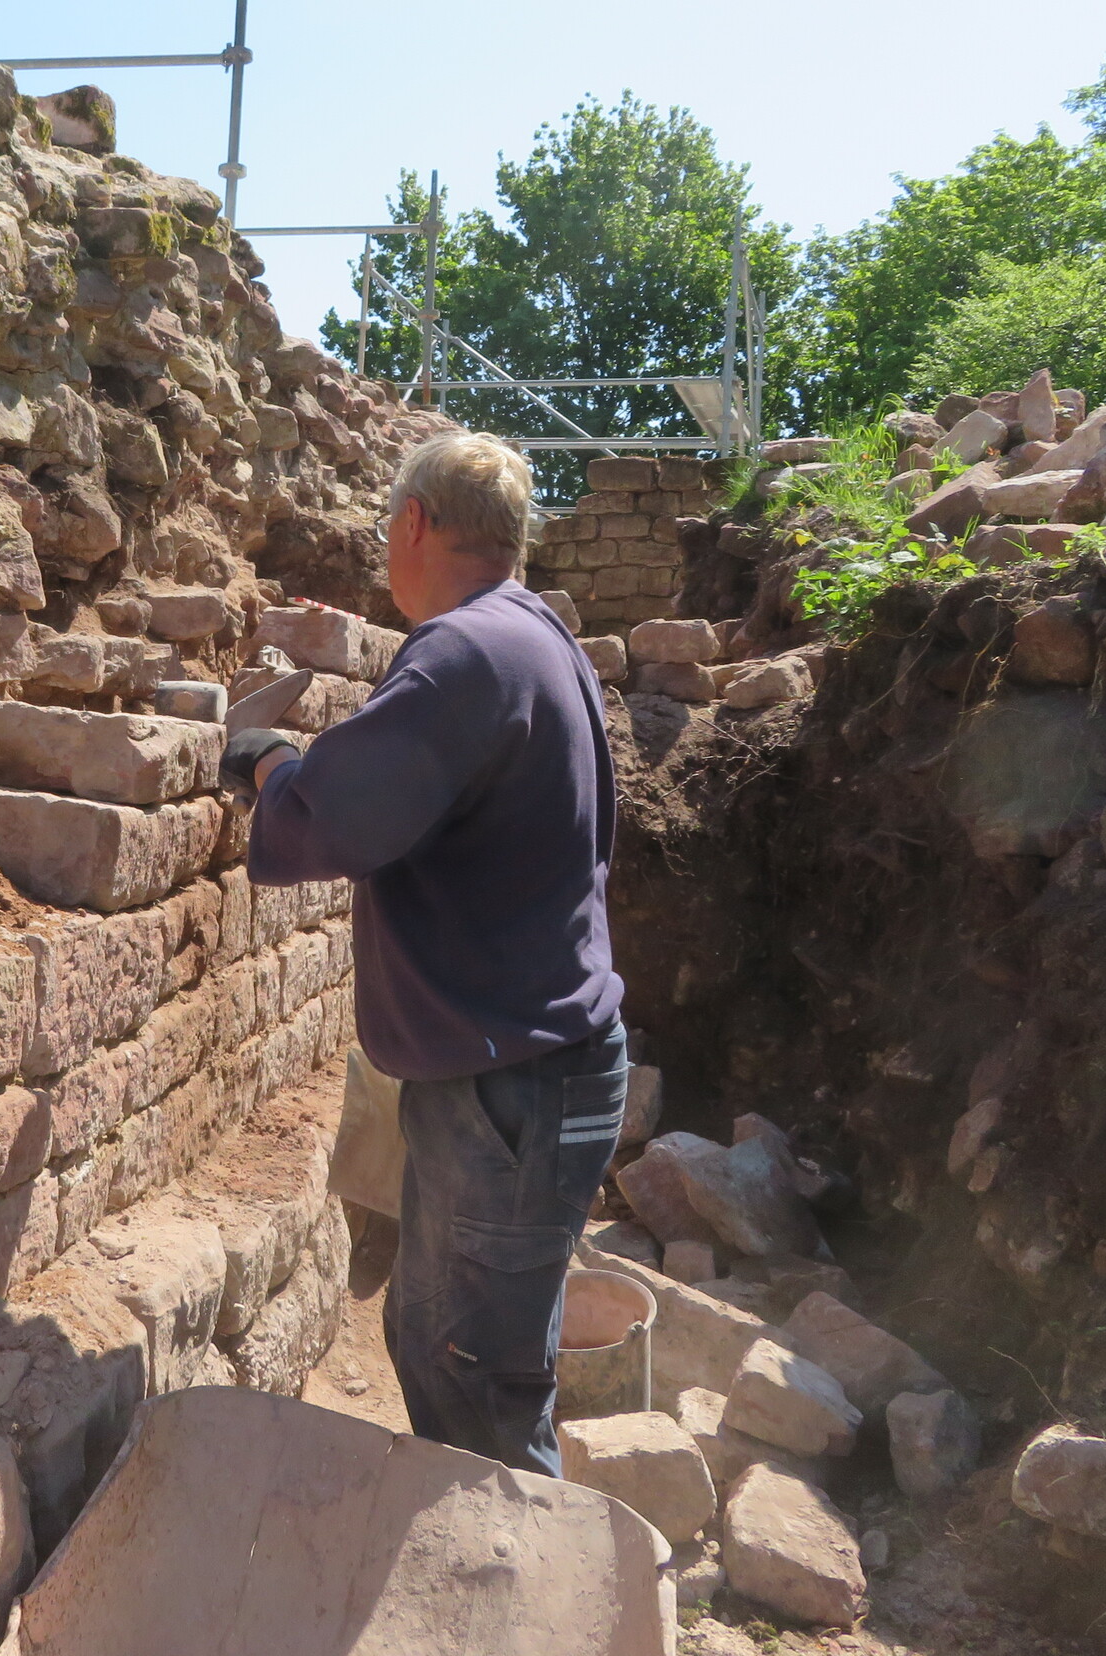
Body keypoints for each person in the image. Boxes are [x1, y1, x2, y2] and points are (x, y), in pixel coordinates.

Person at [223, 431, 626, 1477]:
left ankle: (514, 1575)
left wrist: (265, 763)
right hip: (534, 1074)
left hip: (512, 1093)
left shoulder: (464, 654)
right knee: (447, 1340)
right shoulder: (537, 638)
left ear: (412, 523)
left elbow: (335, 819)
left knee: (474, 1389)